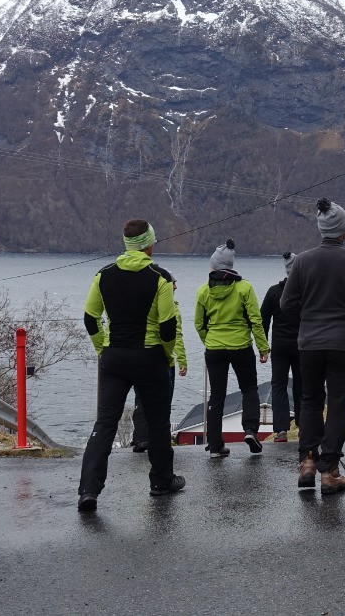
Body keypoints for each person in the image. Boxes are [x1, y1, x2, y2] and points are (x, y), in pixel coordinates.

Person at [77, 219, 185, 511]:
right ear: (149, 244)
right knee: (158, 423)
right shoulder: (160, 277)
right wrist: (166, 354)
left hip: (114, 358)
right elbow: (167, 327)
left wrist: (103, 349)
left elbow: (90, 318)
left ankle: (89, 490)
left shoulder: (104, 276)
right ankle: (161, 482)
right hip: (150, 358)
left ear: (127, 244)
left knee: (105, 423)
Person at [279, 198, 345, 494]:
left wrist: (307, 321)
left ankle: (307, 462)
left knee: (309, 401)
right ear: (343, 232)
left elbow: (287, 304)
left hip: (309, 344)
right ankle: (329, 471)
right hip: (342, 345)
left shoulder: (302, 262)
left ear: (321, 230)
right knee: (338, 405)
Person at [195, 239, 269, 458]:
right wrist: (263, 347)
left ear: (215, 266)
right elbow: (255, 320)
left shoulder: (203, 291)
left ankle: (216, 445)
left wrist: (209, 341)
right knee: (249, 389)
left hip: (214, 348)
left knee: (217, 395)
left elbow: (199, 324)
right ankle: (250, 430)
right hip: (241, 347)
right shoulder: (244, 287)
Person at [130, 314, 186, 453]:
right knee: (163, 401)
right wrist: (181, 359)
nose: (176, 290)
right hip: (163, 359)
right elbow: (175, 335)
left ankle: (141, 438)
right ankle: (160, 440)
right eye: (173, 289)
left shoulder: (144, 298)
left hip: (140, 354)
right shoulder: (171, 306)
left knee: (141, 399)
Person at [260, 252, 300, 441]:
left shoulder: (274, 292)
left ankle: (281, 429)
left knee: (278, 386)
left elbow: (263, 321)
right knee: (303, 384)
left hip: (280, 346)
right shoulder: (307, 292)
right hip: (303, 346)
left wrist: (263, 347)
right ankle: (303, 423)